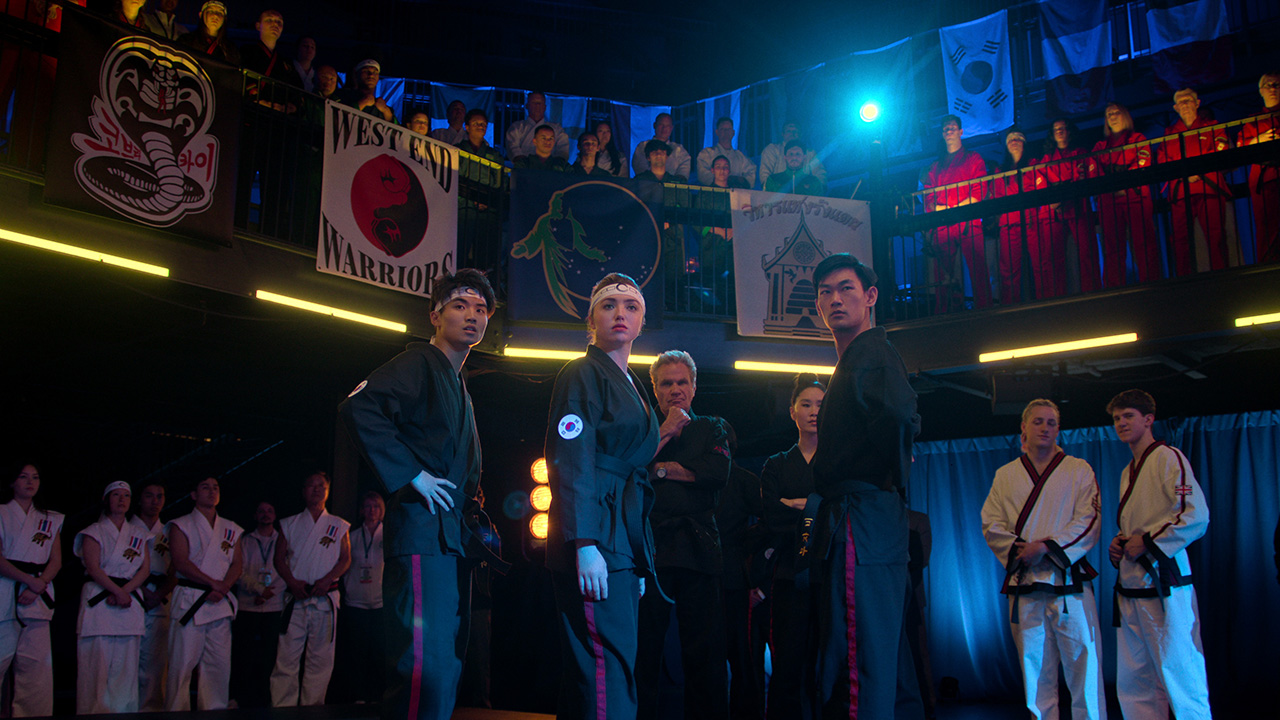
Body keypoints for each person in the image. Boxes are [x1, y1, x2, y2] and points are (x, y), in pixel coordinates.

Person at [338, 269, 495, 720]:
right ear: (435, 315)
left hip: (447, 538)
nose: (472, 316)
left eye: (481, 309)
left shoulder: (457, 381)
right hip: (422, 532)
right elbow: (359, 406)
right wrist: (413, 475)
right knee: (423, 663)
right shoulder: (420, 363)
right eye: (460, 306)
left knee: (446, 662)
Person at [809, 254, 923, 719]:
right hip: (868, 513)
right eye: (825, 292)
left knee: (859, 647)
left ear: (870, 297)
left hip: (863, 513)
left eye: (846, 289)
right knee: (879, 647)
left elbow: (898, 415)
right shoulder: (855, 358)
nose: (835, 300)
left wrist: (889, 471)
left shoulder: (872, 351)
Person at [545, 273, 661, 720]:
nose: (620, 314)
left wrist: (638, 555)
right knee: (602, 662)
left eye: (630, 307)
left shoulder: (632, 382)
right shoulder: (582, 373)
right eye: (609, 305)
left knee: (613, 661)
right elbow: (570, 458)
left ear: (641, 320)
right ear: (590, 318)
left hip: (623, 539)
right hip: (596, 533)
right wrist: (584, 543)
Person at [980, 399, 1106, 720]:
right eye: (1038, 422)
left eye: (1051, 423)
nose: (1045, 428)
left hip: (1069, 584)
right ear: (1023, 427)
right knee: (1035, 674)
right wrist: (1023, 551)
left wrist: (1047, 547)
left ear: (1058, 429)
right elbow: (991, 524)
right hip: (1025, 585)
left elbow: (1089, 520)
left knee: (1085, 670)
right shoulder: (1006, 475)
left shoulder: (1079, 470)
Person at [1106, 389, 1212, 720]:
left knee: (1181, 671)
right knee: (1135, 679)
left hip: (1166, 583)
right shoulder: (1128, 470)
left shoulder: (1169, 458)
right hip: (1132, 586)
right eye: (1116, 418)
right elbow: (1139, 522)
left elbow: (1195, 516)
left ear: (1149, 419)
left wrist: (1149, 543)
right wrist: (1120, 544)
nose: (1121, 423)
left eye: (1128, 416)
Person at [637, 350, 731, 720]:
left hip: (699, 547)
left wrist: (661, 469)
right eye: (666, 383)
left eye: (682, 382)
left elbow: (717, 472)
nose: (675, 390)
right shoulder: (644, 429)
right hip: (652, 548)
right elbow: (632, 469)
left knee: (704, 652)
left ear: (694, 387)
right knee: (645, 650)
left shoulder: (713, 426)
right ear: (655, 390)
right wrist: (666, 432)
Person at [761, 374, 825, 720]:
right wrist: (819, 508)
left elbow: (842, 516)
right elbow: (773, 519)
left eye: (821, 405)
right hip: (788, 576)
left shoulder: (837, 464)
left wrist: (808, 506)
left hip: (830, 574)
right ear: (792, 412)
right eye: (806, 404)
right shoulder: (776, 464)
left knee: (831, 661)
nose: (814, 411)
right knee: (789, 662)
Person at [270, 471, 351, 706]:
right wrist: (292, 582)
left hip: (325, 598)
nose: (316, 489)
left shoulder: (339, 525)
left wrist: (327, 580)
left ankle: (313, 708)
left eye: (321, 486)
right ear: (303, 491)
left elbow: (345, 559)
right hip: (296, 597)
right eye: (311, 485)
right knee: (286, 657)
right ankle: (282, 708)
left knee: (321, 659)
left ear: (327, 491)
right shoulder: (289, 524)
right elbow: (279, 559)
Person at [165, 476, 244, 711]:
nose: (211, 492)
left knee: (218, 666)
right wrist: (213, 584)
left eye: (215, 488)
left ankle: (215, 709)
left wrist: (223, 586)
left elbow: (238, 564)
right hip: (191, 599)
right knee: (181, 665)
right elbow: (180, 562)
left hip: (219, 602)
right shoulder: (180, 525)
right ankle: (176, 712)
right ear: (193, 494)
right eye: (205, 487)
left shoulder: (231, 528)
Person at [74, 481, 151, 714]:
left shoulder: (139, 533)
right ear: (106, 499)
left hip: (128, 601)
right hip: (100, 600)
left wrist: (125, 592)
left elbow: (145, 570)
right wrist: (116, 591)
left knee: (126, 668)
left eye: (126, 495)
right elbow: (93, 567)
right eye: (116, 495)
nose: (121, 499)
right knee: (96, 668)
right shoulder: (93, 531)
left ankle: (125, 711)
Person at [0, 462, 63, 717]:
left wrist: (38, 585)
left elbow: (56, 560)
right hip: (5, 590)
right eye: (24, 477)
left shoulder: (50, 518)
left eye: (35, 477)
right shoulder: (2, 513)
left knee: (36, 669)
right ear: (12, 482)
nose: (30, 482)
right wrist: (29, 580)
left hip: (38, 593)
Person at [1158, 88, 1235, 275]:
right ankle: (1185, 279)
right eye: (1181, 102)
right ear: (1175, 107)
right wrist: (1184, 175)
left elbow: (1221, 151)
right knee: (1179, 239)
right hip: (1181, 192)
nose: (1185, 104)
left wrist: (1198, 170)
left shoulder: (1213, 127)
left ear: (1197, 103)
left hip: (1210, 188)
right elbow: (1162, 162)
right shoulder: (1169, 134)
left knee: (1215, 235)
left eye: (1188, 100)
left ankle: (1222, 275)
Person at [717, 426, 765, 720]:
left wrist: (743, 546)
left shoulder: (743, 480)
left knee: (742, 658)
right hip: (701, 577)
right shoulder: (694, 477)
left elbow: (770, 521)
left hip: (733, 579)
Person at [924, 114, 991, 311]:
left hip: (968, 221)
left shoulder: (973, 159)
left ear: (961, 132)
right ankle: (943, 312)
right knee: (941, 273)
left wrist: (952, 209)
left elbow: (980, 190)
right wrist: (950, 210)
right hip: (945, 224)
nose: (949, 130)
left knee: (978, 266)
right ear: (942, 134)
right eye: (946, 128)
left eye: (953, 127)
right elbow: (929, 200)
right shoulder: (935, 167)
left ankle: (985, 308)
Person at [1089, 103, 1159, 287]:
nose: (1112, 116)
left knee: (1143, 243)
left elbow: (1143, 163)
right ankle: (1114, 288)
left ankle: (1151, 284)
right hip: (1109, 202)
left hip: (1135, 199)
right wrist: (1112, 186)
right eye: (1108, 114)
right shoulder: (1100, 145)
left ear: (1125, 115)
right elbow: (1093, 170)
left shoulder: (1138, 139)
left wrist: (1123, 185)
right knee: (1112, 248)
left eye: (1116, 112)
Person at [1037, 118, 1099, 294]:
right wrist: (1053, 201)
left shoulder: (1081, 153)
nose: (1060, 131)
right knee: (1054, 257)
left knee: (1087, 252)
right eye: (1056, 128)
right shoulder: (1047, 160)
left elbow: (1090, 180)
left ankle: (1092, 291)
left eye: (1063, 128)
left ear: (1069, 131)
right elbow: (1041, 186)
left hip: (1079, 208)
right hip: (1055, 212)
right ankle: (1058, 295)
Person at [231, 501, 284, 708]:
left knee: (269, 654)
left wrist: (269, 593)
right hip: (247, 602)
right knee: (243, 653)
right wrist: (258, 589)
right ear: (255, 516)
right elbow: (237, 570)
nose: (265, 514)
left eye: (270, 511)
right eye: (261, 511)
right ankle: (238, 696)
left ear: (275, 515)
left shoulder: (282, 540)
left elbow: (287, 569)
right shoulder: (245, 540)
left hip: (273, 605)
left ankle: (266, 697)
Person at [337, 492, 386, 705]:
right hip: (355, 602)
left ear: (382, 509)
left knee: (379, 653)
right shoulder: (352, 536)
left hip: (381, 603)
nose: (371, 510)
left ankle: (379, 695)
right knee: (357, 654)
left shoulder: (390, 535)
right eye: (367, 506)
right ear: (361, 510)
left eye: (376, 506)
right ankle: (358, 696)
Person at [130, 482, 174, 711]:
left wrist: (159, 594)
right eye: (149, 496)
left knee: (156, 664)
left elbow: (177, 569)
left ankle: (153, 710)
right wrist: (140, 590)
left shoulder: (169, 531)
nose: (155, 501)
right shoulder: (126, 529)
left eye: (160, 496)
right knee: (127, 662)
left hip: (159, 599)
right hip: (129, 596)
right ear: (139, 500)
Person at [991, 128, 1039, 303]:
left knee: (1040, 263)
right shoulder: (1000, 170)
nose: (1014, 141)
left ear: (1025, 143)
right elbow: (997, 197)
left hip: (1032, 221)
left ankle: (1047, 300)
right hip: (1009, 224)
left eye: (1019, 138)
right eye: (1011, 139)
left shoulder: (1033, 164)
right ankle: (1010, 306)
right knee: (1008, 269)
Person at [1238, 72, 1280, 264]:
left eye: (1276, 85)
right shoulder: (1252, 121)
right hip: (1264, 181)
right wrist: (1257, 140)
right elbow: (1240, 149)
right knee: (1266, 226)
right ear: (1261, 90)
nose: (1272, 89)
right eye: (1268, 85)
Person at [240, 10, 301, 88]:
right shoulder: (246, 51)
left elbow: (297, 87)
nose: (275, 24)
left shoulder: (286, 62)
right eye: (269, 20)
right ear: (258, 26)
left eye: (279, 22)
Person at [759, 121, 826, 188]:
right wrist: (768, 188)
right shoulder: (772, 149)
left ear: (800, 134)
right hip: (778, 192)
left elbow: (819, 173)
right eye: (788, 131)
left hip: (805, 193)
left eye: (795, 131)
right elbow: (765, 172)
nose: (792, 134)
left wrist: (819, 189)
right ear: (782, 134)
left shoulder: (810, 153)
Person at [505, 91, 570, 160]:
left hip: (549, 168)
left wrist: (555, 164)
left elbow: (563, 149)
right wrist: (523, 162)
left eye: (540, 103)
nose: (537, 106)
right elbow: (512, 147)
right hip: (523, 168)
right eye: (534, 103)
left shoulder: (557, 129)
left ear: (545, 107)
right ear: (527, 106)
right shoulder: (517, 127)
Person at [697, 117, 756, 187]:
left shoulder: (740, 157)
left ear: (733, 132)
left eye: (728, 129)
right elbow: (702, 174)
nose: (726, 132)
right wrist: (722, 181)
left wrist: (740, 181)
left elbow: (751, 173)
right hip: (714, 194)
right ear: (717, 132)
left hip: (736, 195)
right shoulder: (707, 153)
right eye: (722, 129)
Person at [633, 113, 692, 179]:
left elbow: (683, 174)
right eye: (661, 125)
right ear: (654, 125)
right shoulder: (643, 147)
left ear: (672, 128)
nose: (664, 128)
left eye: (668, 126)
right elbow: (640, 169)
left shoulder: (679, 150)